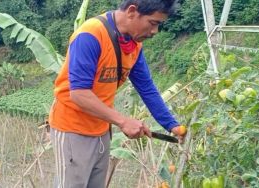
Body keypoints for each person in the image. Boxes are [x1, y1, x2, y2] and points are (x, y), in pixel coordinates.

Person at [48, 0, 186, 187]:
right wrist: (123, 121)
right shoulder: (90, 35)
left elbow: (147, 88)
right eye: (153, 23)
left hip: (102, 130)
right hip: (73, 129)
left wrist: (172, 125)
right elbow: (79, 93)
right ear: (131, 11)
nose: (155, 32)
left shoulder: (133, 44)